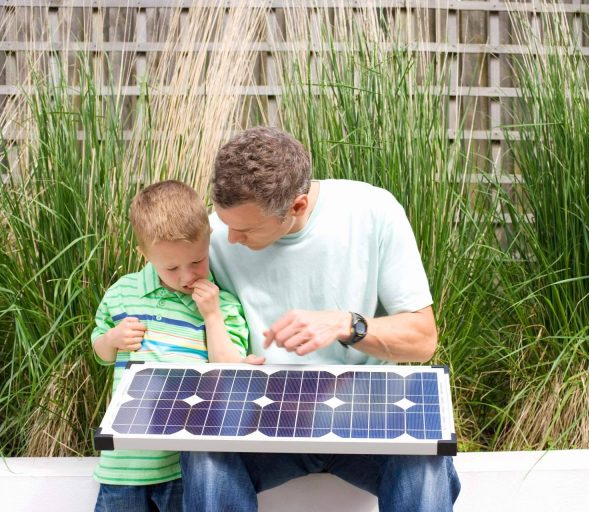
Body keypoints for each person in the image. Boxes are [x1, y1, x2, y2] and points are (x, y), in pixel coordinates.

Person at [180, 127, 461, 511]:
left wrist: (347, 324)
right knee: (203, 458)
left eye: (245, 230)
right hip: (259, 423)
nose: (229, 240)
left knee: (425, 463)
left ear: (296, 206)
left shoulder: (373, 211)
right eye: (225, 224)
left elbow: (423, 339)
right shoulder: (211, 236)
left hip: (368, 419)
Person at [91, 180, 258, 512]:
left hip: (183, 464)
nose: (187, 276)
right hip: (124, 465)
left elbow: (228, 372)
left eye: (197, 261)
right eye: (171, 267)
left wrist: (211, 316)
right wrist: (111, 340)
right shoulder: (123, 293)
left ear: (208, 240)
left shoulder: (223, 306)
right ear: (144, 254)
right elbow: (101, 354)